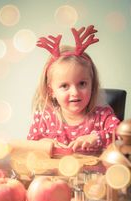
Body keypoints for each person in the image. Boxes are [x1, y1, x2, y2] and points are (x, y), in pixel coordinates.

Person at [27, 25, 120, 155]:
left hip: (96, 175)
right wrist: (42, 145)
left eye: (82, 83)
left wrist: (97, 137)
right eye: (64, 86)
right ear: (51, 91)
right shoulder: (45, 117)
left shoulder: (102, 116)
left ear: (92, 85)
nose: (75, 92)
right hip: (53, 175)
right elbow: (29, 147)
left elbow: (123, 136)